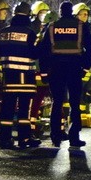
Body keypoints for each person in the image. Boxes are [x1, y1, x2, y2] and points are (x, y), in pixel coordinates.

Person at [38, 1, 91, 147]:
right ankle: (74, 136)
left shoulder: (52, 27)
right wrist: (85, 67)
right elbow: (90, 50)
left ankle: (55, 135)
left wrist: (44, 70)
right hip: (75, 68)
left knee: (57, 102)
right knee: (75, 103)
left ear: (60, 11)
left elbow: (43, 51)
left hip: (56, 69)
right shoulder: (81, 26)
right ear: (71, 11)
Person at [0, 2, 41, 149]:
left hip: (8, 76)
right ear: (28, 15)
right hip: (25, 77)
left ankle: (4, 138)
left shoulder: (3, 32)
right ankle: (24, 138)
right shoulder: (30, 33)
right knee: (24, 109)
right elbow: (35, 53)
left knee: (7, 108)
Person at [29, 9, 57, 140]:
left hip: (41, 73)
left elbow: (36, 54)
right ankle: (57, 129)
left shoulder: (41, 36)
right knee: (56, 100)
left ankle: (32, 127)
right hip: (50, 73)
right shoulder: (51, 35)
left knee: (36, 102)